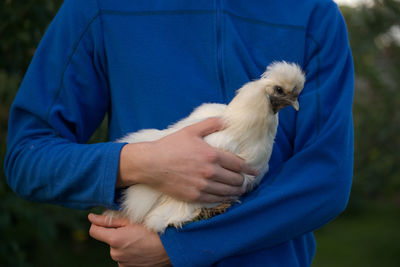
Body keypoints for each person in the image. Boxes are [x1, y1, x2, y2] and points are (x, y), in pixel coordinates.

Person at [4, 0, 354, 266]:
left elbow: (326, 177)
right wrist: (141, 162)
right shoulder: (99, 7)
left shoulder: (312, 12)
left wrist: (180, 247)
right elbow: (28, 155)